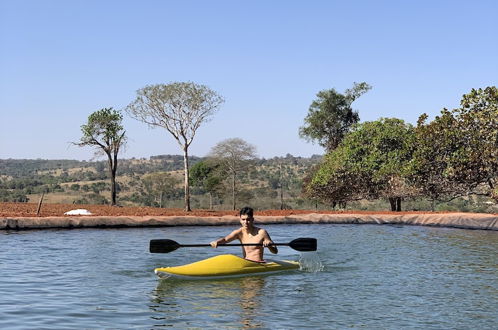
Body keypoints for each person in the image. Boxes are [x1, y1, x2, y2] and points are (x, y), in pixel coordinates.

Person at [210, 206, 278, 262]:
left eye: (248, 219)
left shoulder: (262, 232)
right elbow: (225, 240)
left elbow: (275, 251)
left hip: (259, 264)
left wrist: (269, 245)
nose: (245, 222)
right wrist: (216, 242)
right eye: (243, 219)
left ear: (252, 219)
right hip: (246, 263)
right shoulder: (239, 232)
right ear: (240, 220)